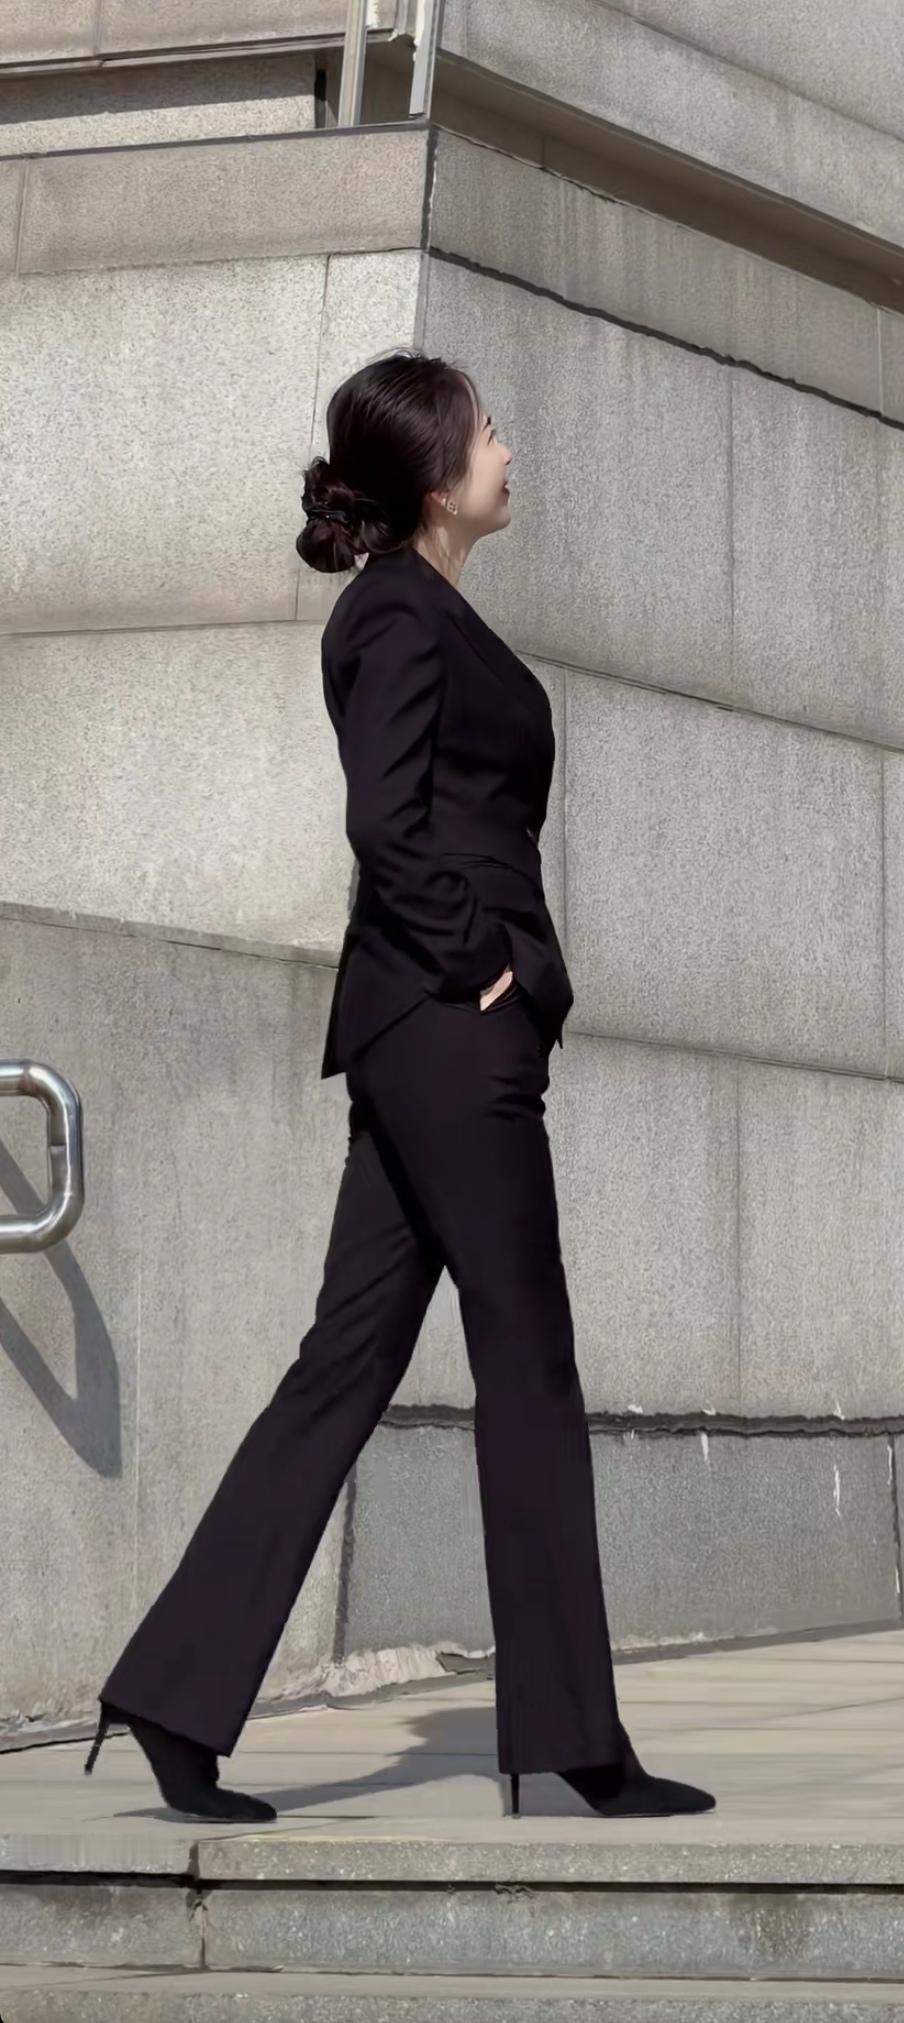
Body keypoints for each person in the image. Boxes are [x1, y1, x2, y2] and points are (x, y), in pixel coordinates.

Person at [83, 346, 716, 1825]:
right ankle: (574, 1737)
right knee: (528, 1356)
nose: (508, 448)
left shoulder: (424, 608)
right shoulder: (394, 616)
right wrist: (486, 962)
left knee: (346, 1362)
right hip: (446, 1026)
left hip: (427, 1029)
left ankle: (172, 1696)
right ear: (436, 476)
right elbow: (384, 819)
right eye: (488, 431)